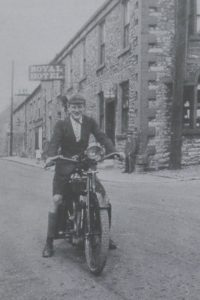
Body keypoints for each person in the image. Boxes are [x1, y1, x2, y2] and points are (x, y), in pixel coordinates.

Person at [42, 93, 121, 257]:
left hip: (85, 164)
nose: (77, 110)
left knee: (104, 198)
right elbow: (54, 142)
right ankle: (49, 241)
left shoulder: (90, 122)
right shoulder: (61, 125)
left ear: (84, 108)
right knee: (57, 199)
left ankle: (104, 234)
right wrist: (50, 157)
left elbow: (101, 136)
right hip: (64, 164)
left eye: (80, 107)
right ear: (69, 109)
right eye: (74, 107)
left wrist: (113, 151)